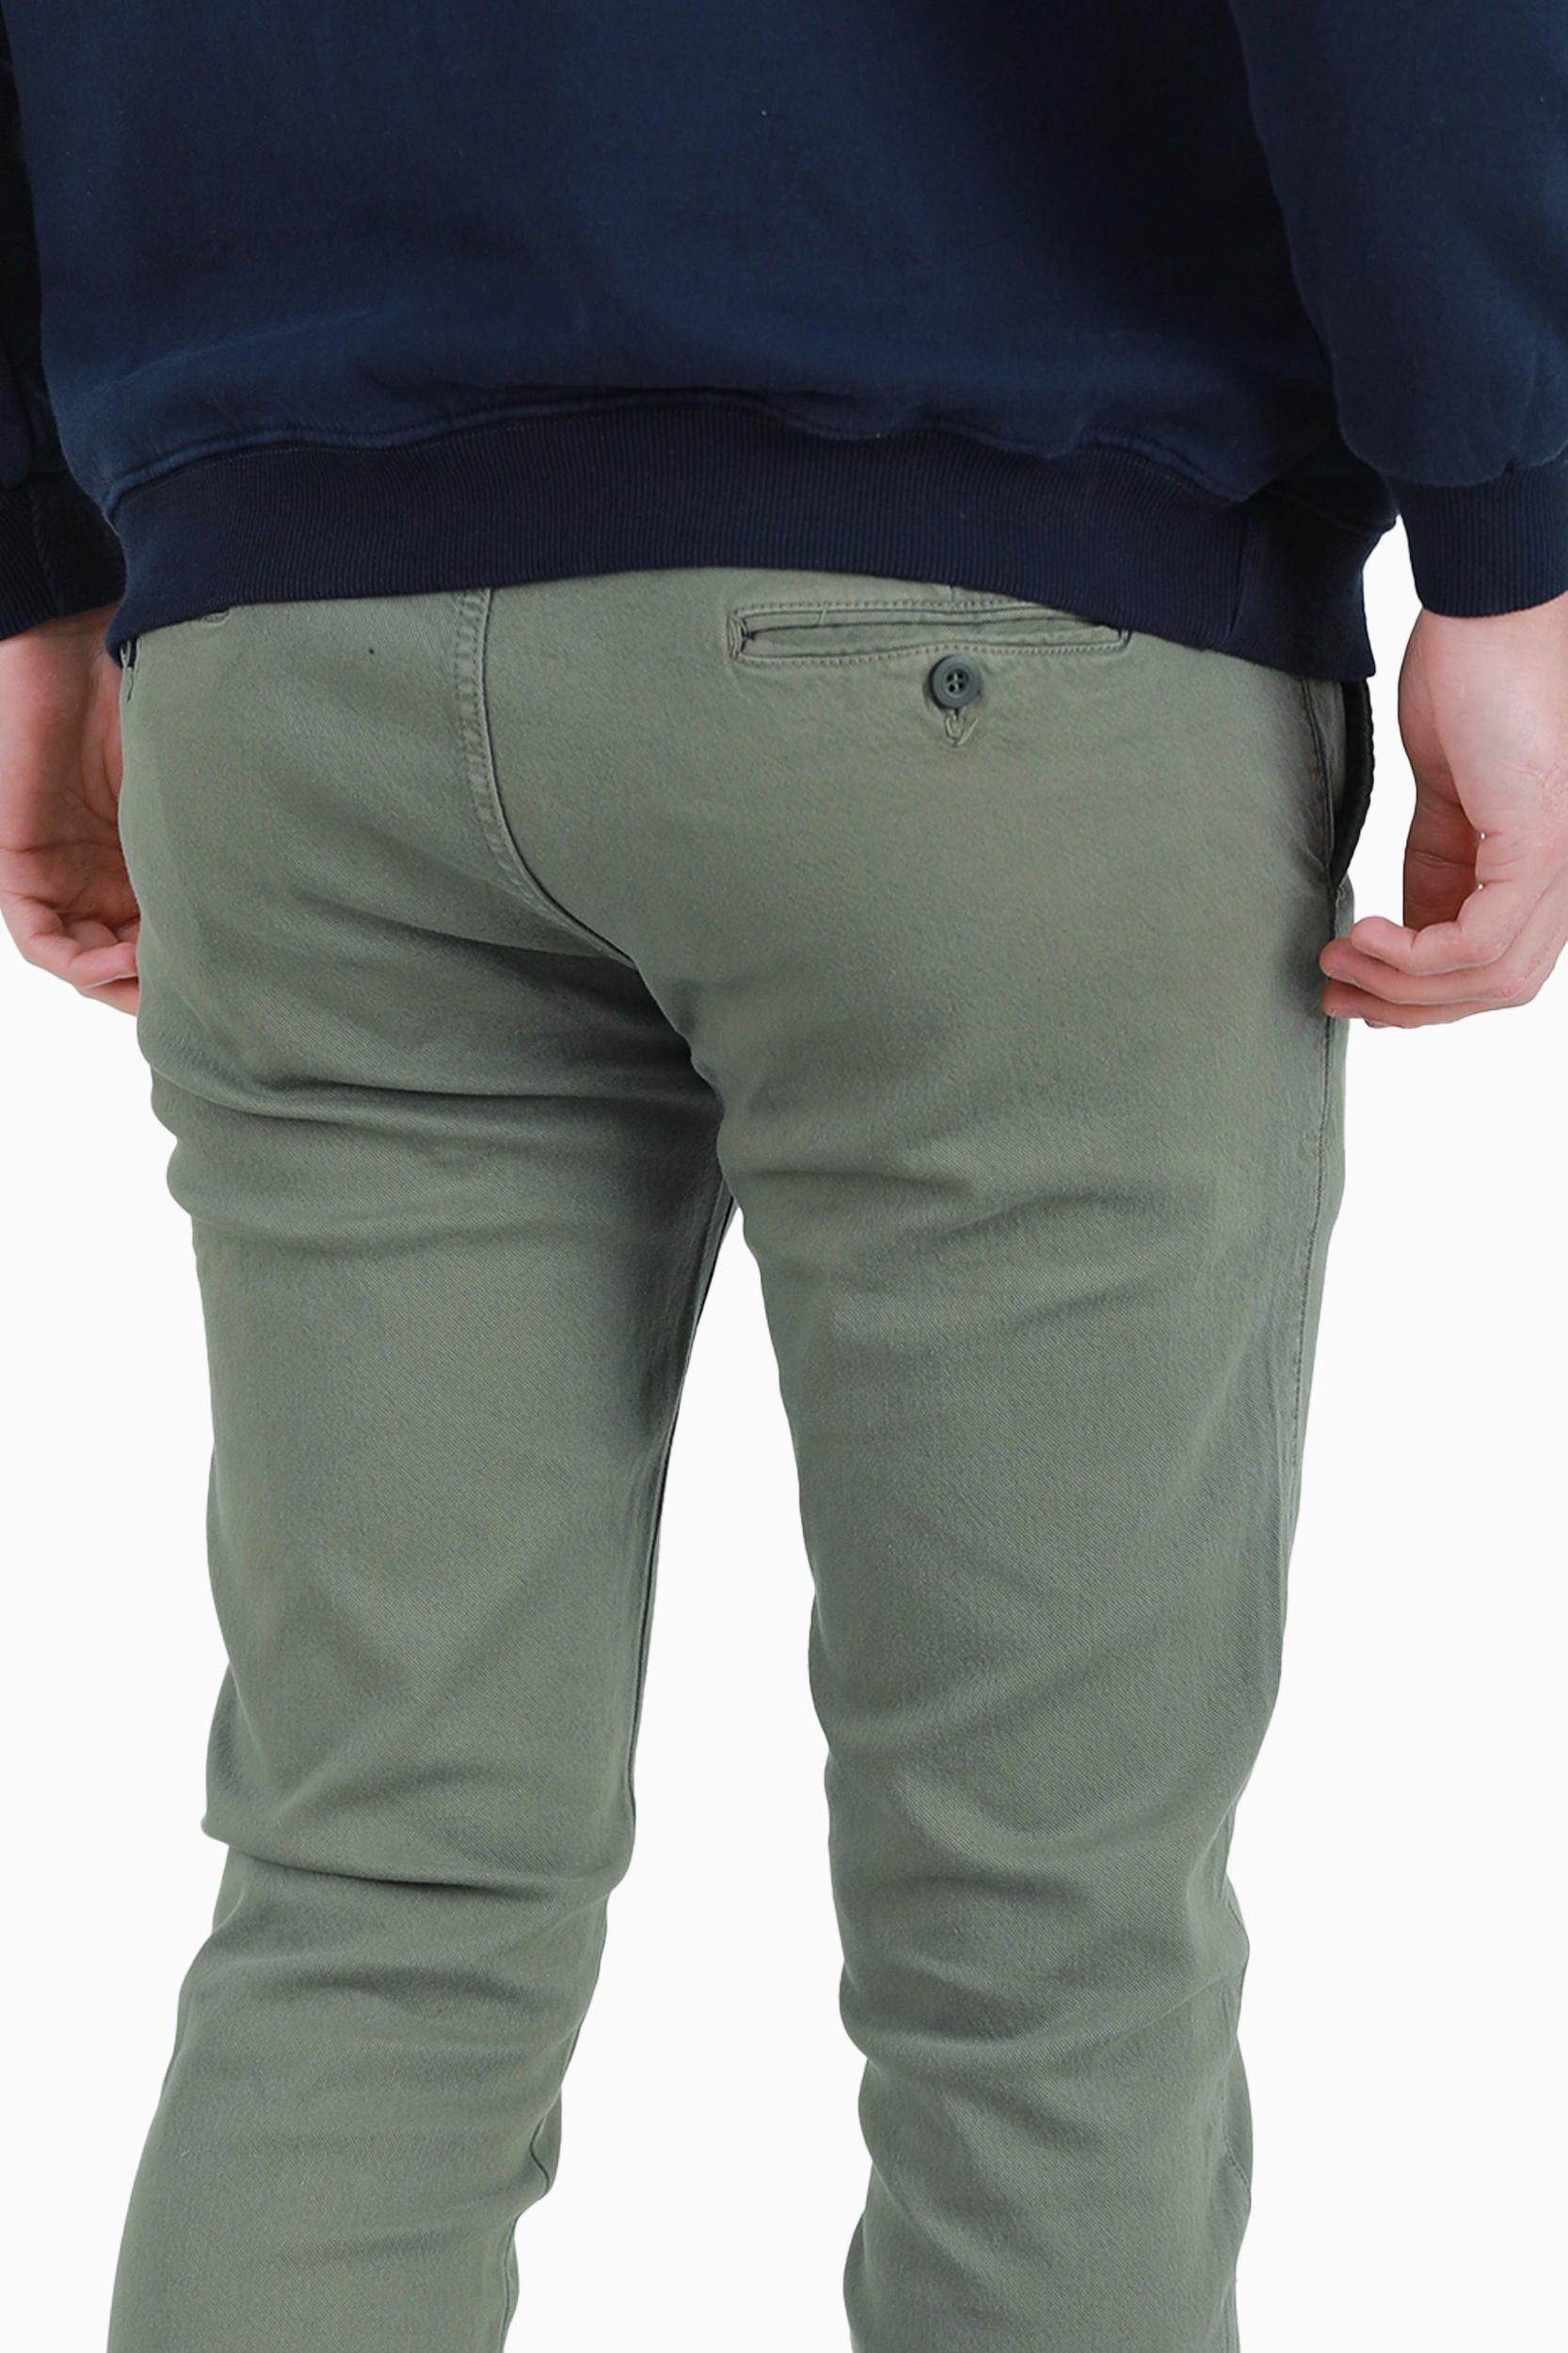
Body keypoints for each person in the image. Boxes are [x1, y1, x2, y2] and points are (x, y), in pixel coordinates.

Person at [3, 7, 1564, 2349]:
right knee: (1038, 1950)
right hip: (1000, 588)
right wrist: (1506, 535)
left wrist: (35, 577)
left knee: (371, 1885)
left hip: (283, 641)